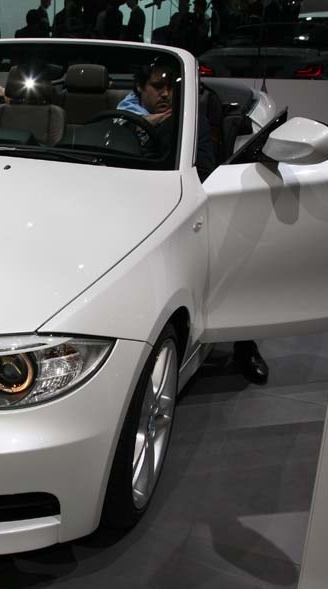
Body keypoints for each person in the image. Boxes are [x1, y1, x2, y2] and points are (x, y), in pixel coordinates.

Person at [118, 58, 269, 383]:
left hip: (176, 200)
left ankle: (245, 343)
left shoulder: (189, 121)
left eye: (171, 87)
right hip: (121, 201)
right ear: (139, 88)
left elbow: (205, 168)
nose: (166, 94)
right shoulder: (120, 117)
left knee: (237, 256)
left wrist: (161, 130)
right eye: (157, 86)